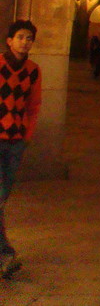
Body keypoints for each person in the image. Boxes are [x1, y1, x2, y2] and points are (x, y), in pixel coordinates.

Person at [0, 20, 42, 279]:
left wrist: (27, 135)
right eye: (21, 37)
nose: (25, 41)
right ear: (9, 40)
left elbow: (34, 105)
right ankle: (5, 254)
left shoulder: (33, 70)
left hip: (15, 141)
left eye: (29, 38)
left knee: (2, 197)